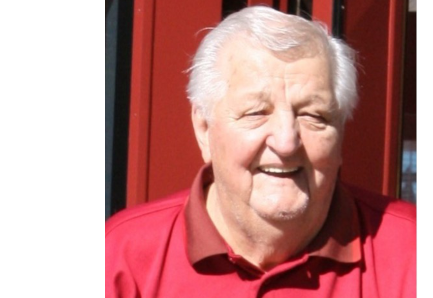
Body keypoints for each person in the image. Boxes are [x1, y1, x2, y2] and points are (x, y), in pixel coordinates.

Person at [106, 6, 416, 298]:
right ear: (204, 129)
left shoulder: (413, 255)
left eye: (313, 115)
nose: (286, 142)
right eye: (256, 112)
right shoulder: (122, 259)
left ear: (341, 133)